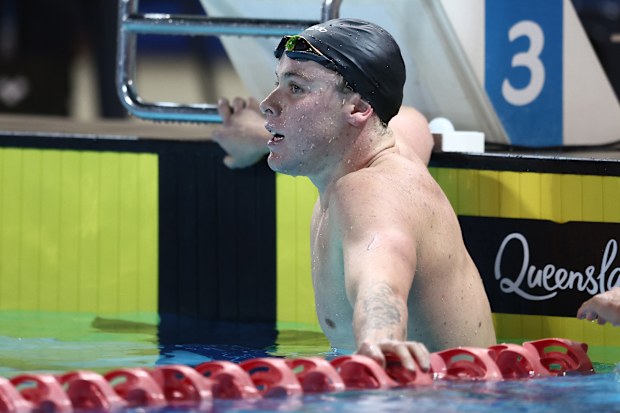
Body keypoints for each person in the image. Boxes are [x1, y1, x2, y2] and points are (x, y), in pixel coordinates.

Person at [213, 18, 496, 372]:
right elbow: (411, 119)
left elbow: (380, 281)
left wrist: (381, 339)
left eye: (296, 89)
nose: (268, 105)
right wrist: (262, 137)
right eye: (277, 84)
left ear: (359, 109)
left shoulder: (365, 191)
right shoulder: (390, 149)